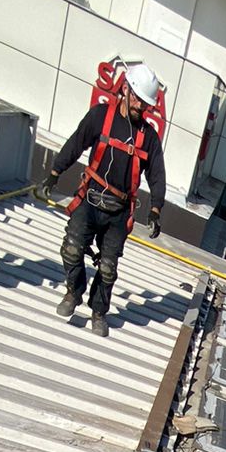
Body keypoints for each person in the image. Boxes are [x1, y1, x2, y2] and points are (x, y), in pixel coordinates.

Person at [36, 62, 165, 339]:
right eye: (138, 101)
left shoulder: (149, 138)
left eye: (146, 105)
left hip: (118, 212)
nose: (141, 109)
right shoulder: (100, 116)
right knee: (71, 249)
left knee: (107, 269)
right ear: (126, 90)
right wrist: (54, 174)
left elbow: (157, 174)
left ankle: (98, 312)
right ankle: (74, 291)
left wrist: (155, 209)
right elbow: (75, 144)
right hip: (90, 199)